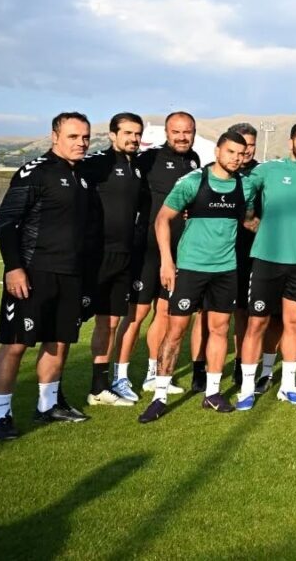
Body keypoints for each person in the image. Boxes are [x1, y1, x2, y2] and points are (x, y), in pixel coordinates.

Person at [0, 112, 95, 440]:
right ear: (55, 137)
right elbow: (6, 222)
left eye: (85, 137)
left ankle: (48, 406)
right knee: (16, 344)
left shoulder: (82, 176)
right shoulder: (34, 172)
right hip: (34, 272)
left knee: (59, 341)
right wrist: (14, 267)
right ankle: (1, 415)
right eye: (73, 137)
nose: (81, 143)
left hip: (70, 275)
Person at [138, 132, 254, 422]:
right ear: (217, 151)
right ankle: (160, 396)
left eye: (241, 154)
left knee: (219, 329)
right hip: (190, 268)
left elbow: (249, 220)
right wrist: (167, 261)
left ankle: (212, 394)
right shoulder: (193, 182)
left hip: (226, 269)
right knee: (176, 331)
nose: (236, 158)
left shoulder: (245, 186)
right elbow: (162, 218)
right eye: (230, 152)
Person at [235, 122, 296, 409]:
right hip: (266, 260)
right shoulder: (269, 171)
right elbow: (241, 197)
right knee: (257, 323)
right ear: (291, 142)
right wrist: (252, 222)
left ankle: (288, 386)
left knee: (294, 324)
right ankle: (247, 388)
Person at [114, 111, 200, 397]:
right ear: (166, 132)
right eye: (176, 131)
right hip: (147, 251)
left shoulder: (194, 162)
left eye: (187, 131)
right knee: (136, 314)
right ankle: (120, 377)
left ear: (194, 132)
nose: (182, 136)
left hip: (177, 252)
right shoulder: (147, 160)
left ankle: (153, 373)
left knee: (163, 313)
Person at [77, 112, 145, 407]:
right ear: (112, 135)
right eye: (127, 133)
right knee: (71, 322)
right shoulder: (95, 165)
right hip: (96, 257)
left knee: (111, 322)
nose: (133, 138)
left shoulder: (138, 168)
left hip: (125, 257)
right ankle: (50, 392)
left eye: (137, 134)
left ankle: (99, 388)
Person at [227, 123, 260, 388]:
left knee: (249, 312)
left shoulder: (262, 173)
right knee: (214, 315)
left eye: (251, 145)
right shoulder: (218, 173)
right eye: (242, 144)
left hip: (255, 253)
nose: (247, 150)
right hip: (223, 252)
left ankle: (244, 365)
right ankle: (201, 369)